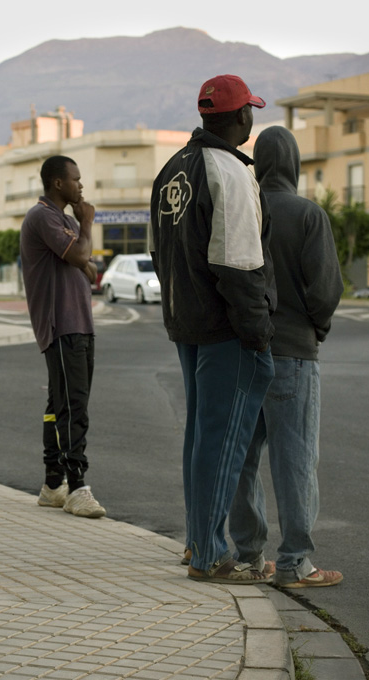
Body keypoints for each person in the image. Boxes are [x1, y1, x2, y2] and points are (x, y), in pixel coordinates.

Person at [149, 74, 276, 584]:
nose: (252, 119)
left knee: (200, 435)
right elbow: (239, 263)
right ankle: (209, 556)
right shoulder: (229, 170)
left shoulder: (171, 169)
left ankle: (197, 539)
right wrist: (259, 332)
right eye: (251, 111)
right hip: (226, 328)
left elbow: (160, 257)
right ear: (240, 116)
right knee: (222, 441)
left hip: (186, 323)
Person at [229, 126, 344, 588]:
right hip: (294, 355)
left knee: (242, 460)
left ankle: (250, 554)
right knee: (295, 460)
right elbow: (326, 289)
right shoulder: (308, 215)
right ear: (294, 163)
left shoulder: (244, 211)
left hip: (244, 355)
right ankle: (296, 561)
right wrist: (316, 328)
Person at [20, 155, 105, 519]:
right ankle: (77, 486)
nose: (80, 186)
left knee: (59, 406)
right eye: (75, 180)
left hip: (79, 324)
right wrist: (87, 226)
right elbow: (82, 255)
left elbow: (89, 268)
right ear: (58, 183)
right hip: (62, 325)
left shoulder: (63, 220)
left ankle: (53, 484)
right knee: (73, 408)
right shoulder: (43, 217)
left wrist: (81, 256)